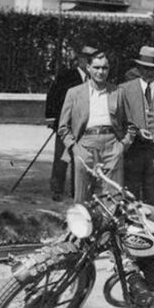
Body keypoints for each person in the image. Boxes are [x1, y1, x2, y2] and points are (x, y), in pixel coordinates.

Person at [57, 50, 127, 203]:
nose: (100, 72)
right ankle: (82, 226)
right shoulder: (74, 93)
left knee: (113, 197)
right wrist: (74, 148)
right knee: (82, 198)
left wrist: (122, 146)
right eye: (96, 67)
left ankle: (110, 226)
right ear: (88, 67)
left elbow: (131, 125)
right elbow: (63, 127)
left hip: (112, 146)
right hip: (85, 146)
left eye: (104, 68)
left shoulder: (118, 92)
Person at [117, 45, 154, 208]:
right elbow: (118, 120)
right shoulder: (125, 90)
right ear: (139, 68)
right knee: (130, 196)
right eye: (145, 68)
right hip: (133, 150)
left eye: (153, 69)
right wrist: (134, 131)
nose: (149, 73)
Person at [46, 45, 96, 201]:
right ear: (80, 60)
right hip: (66, 125)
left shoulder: (96, 80)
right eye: (85, 60)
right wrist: (51, 118)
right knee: (62, 157)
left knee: (81, 159)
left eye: (91, 61)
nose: (87, 64)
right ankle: (57, 189)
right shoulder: (66, 76)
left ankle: (77, 190)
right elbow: (53, 96)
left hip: (86, 126)